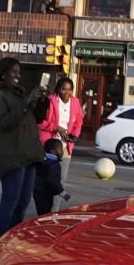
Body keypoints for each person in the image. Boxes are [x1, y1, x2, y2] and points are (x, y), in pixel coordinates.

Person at [0, 57, 47, 238]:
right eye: (14, 72)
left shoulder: (19, 93)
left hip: (29, 152)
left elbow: (37, 118)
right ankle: (0, 242)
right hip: (12, 153)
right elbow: (4, 121)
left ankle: (11, 239)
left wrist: (42, 102)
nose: (17, 76)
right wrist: (27, 102)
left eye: (19, 72)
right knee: (10, 200)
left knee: (23, 202)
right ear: (3, 73)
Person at [37, 77, 84, 211]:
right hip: (50, 145)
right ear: (58, 89)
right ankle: (44, 210)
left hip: (65, 146)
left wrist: (73, 135)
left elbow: (79, 121)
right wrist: (56, 127)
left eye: (69, 90)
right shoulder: (51, 101)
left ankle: (54, 212)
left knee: (61, 180)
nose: (66, 92)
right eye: (63, 89)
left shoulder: (75, 102)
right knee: (48, 179)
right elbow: (40, 122)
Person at [33, 139, 70, 215]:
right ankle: (44, 225)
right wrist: (62, 193)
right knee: (45, 213)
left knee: (41, 212)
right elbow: (52, 181)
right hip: (45, 192)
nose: (62, 152)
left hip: (37, 190)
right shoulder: (53, 164)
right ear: (53, 151)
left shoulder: (43, 160)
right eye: (60, 149)